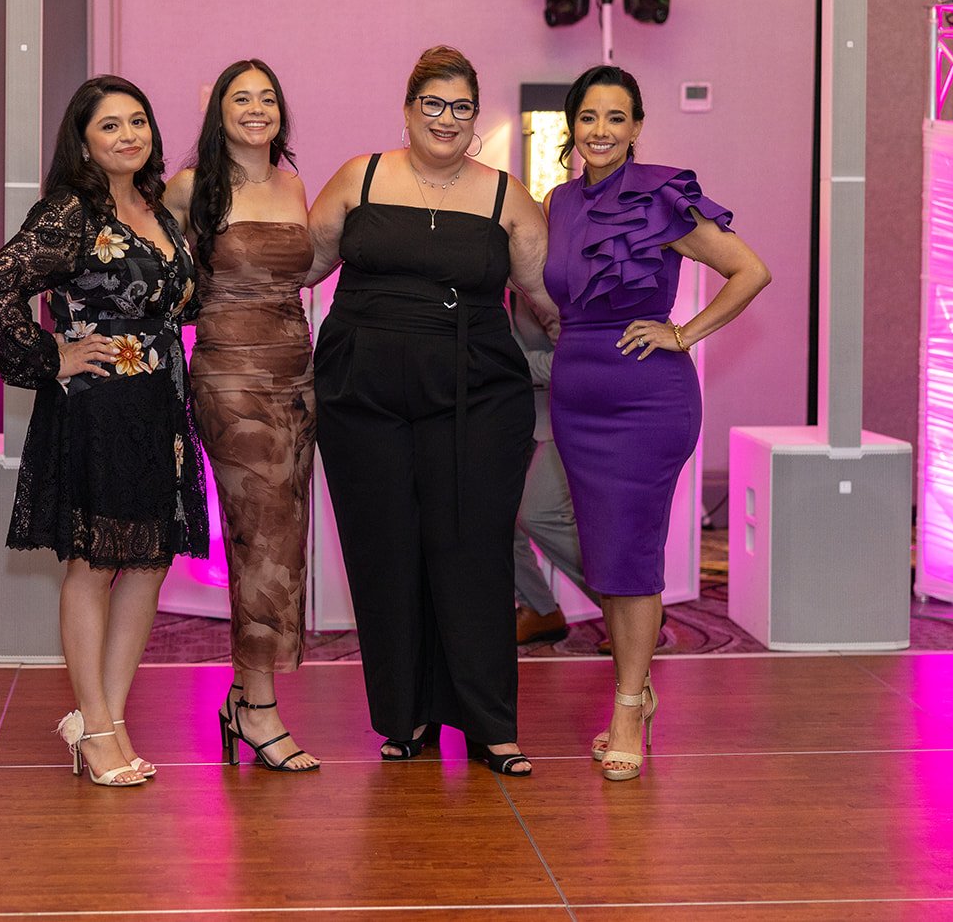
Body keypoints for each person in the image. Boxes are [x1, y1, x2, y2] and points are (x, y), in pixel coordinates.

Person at [307, 45, 555, 777]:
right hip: (362, 390)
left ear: (476, 117)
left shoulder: (509, 195)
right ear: (408, 110)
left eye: (461, 107)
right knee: (384, 549)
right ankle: (405, 714)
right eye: (432, 104)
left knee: (472, 550)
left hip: (476, 393)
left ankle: (490, 725)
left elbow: (542, 295)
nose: (446, 119)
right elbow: (303, 265)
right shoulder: (362, 175)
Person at [0, 75, 206, 788]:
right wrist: (52, 355)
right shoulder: (72, 210)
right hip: (97, 405)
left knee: (148, 558)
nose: (128, 135)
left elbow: (173, 301)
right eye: (110, 125)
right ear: (83, 140)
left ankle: (107, 718)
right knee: (94, 562)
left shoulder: (158, 208)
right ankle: (96, 724)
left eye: (138, 120)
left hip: (160, 405)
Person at [544, 65, 769, 780]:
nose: (601, 131)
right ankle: (634, 692)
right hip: (577, 397)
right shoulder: (557, 200)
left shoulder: (660, 196)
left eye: (616, 117)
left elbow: (749, 269)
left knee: (632, 556)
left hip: (647, 399)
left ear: (637, 125)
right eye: (589, 117)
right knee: (607, 556)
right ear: (572, 126)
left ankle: (628, 704)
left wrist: (683, 332)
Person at [165, 59, 319, 772]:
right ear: (218, 112)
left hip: (297, 375)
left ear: (282, 111)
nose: (255, 109)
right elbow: (156, 277)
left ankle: (242, 697)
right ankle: (259, 710)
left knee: (285, 539)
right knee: (258, 541)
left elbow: (308, 273)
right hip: (229, 375)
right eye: (240, 98)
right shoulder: (193, 188)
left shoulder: (293, 183)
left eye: (266, 98)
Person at [505, 293, 602, 644]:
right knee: (492, 511)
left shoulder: (540, 283)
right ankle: (539, 610)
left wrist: (504, 361)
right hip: (518, 416)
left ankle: (625, 601)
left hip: (570, 415)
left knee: (538, 513)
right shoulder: (505, 282)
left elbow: (576, 361)